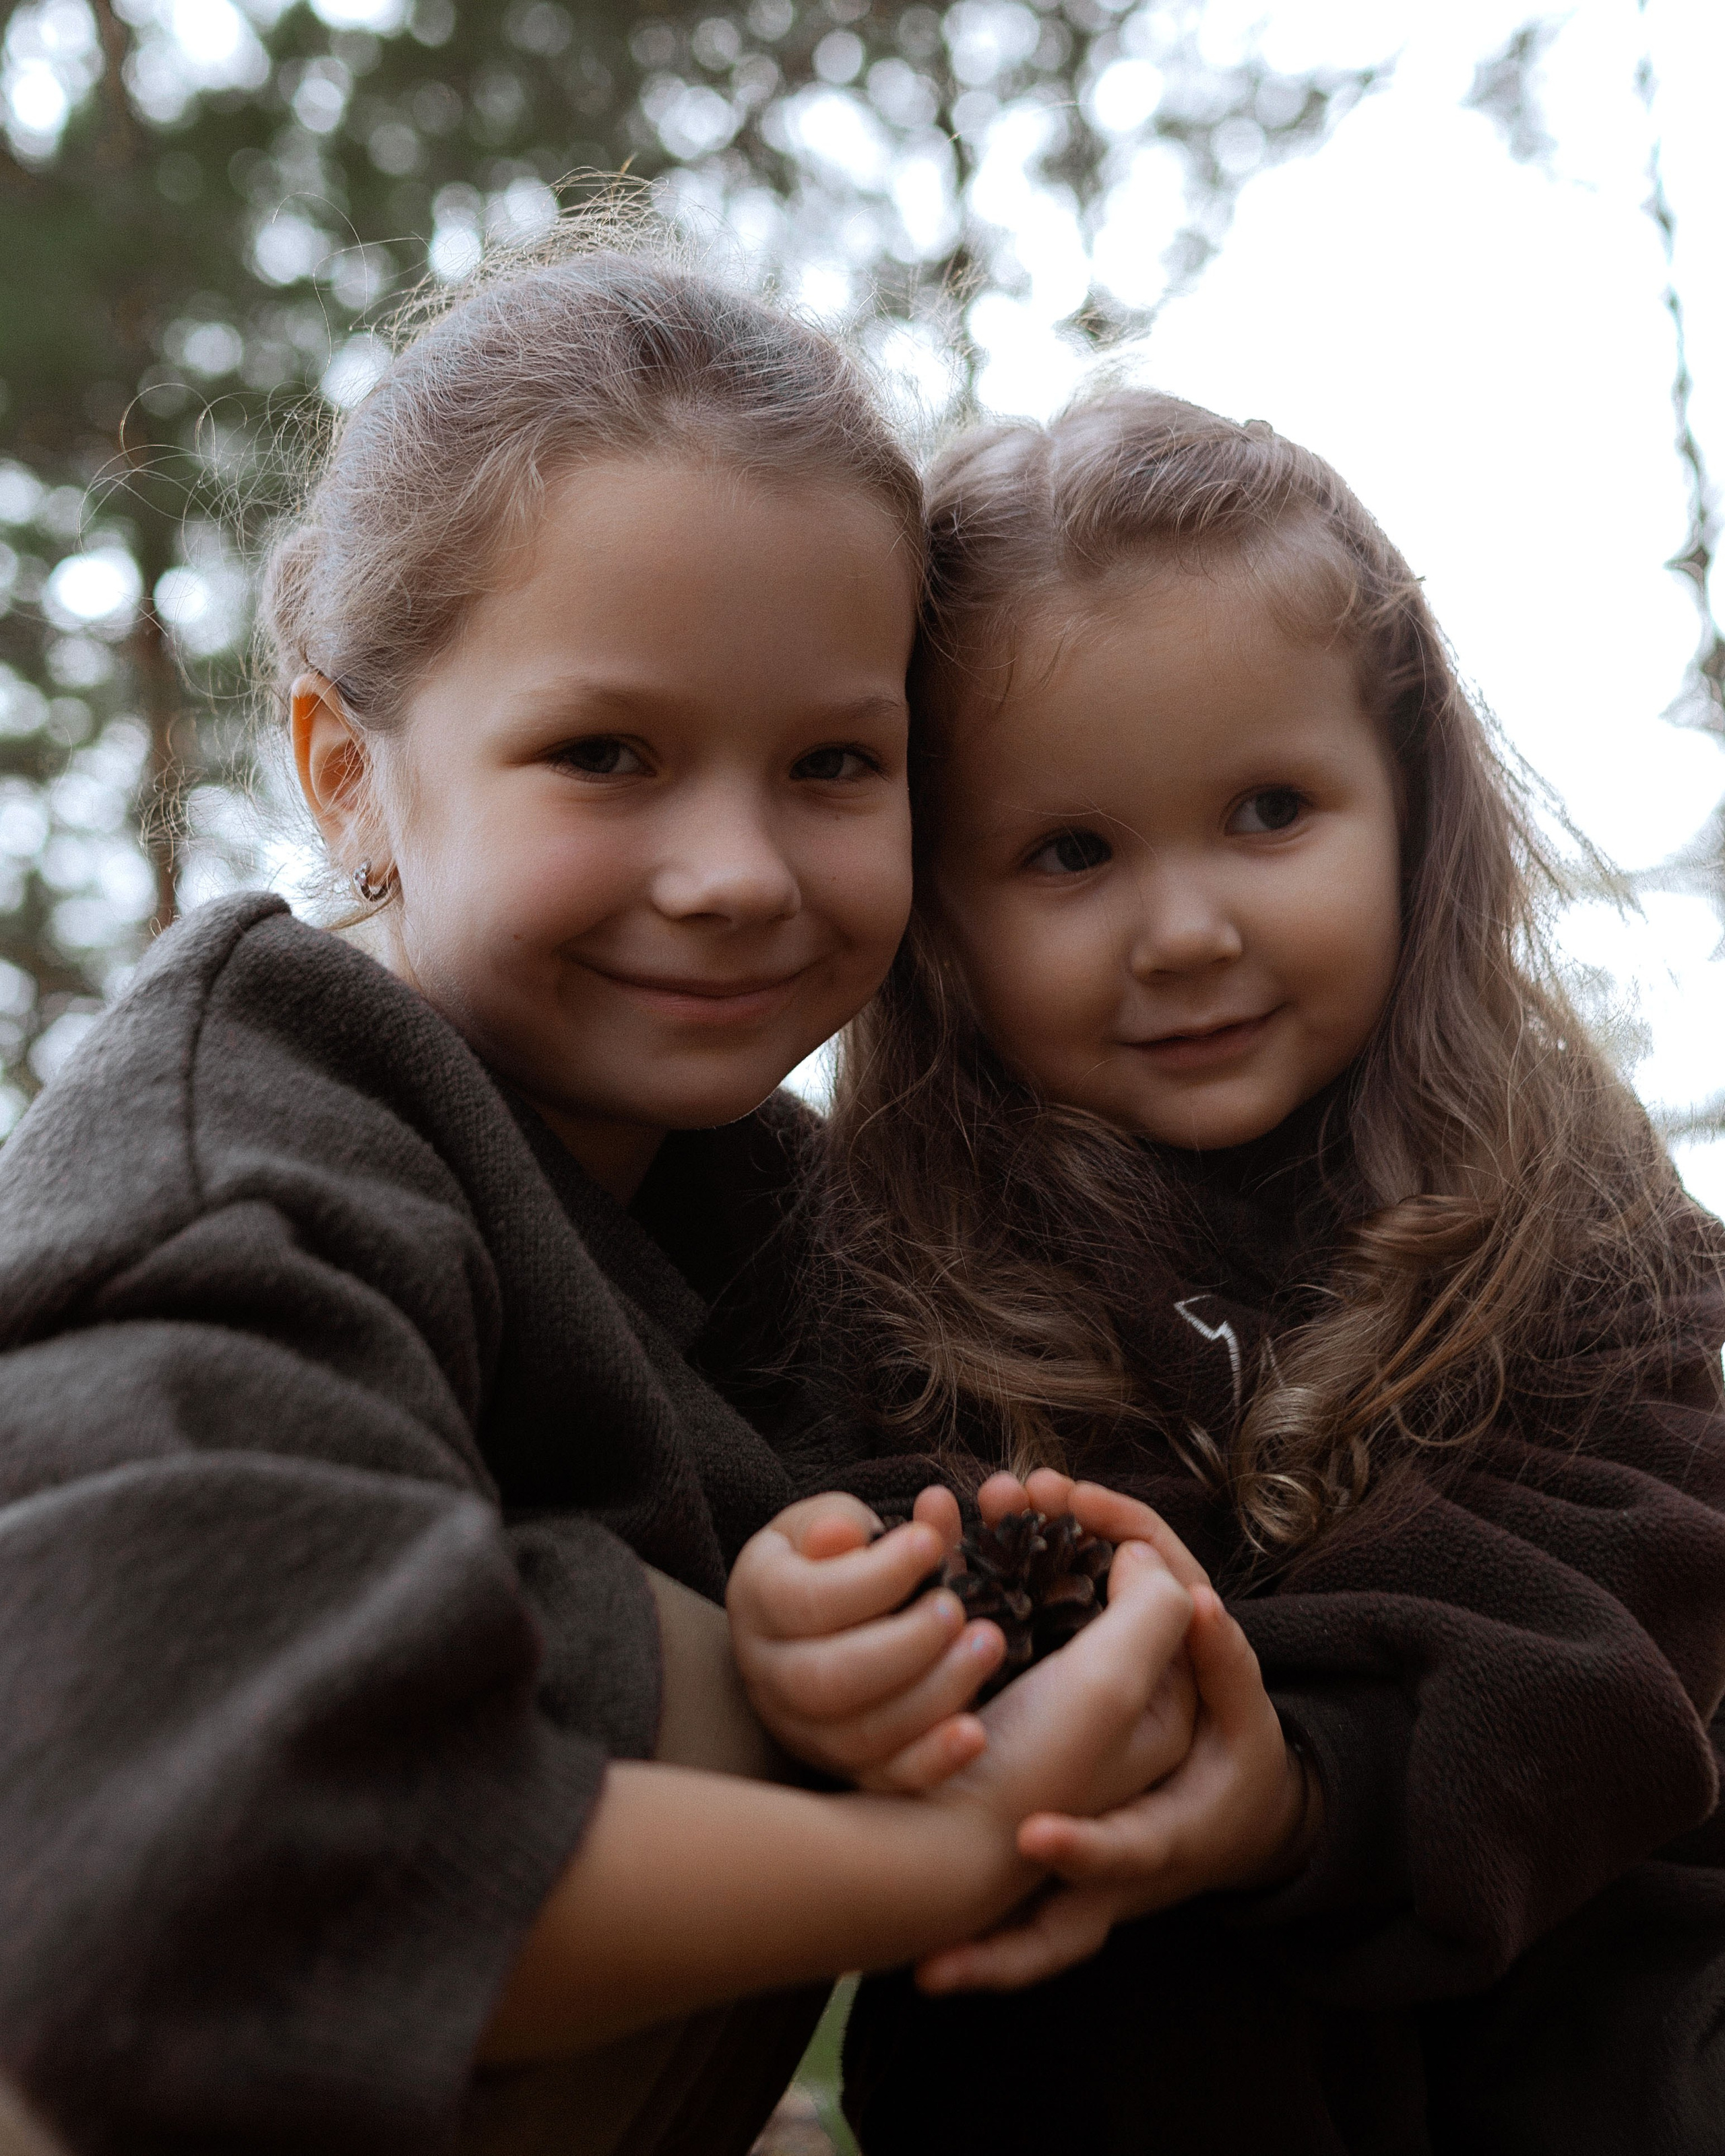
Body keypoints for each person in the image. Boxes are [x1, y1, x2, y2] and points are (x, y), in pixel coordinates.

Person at [0, 245, 1204, 2156]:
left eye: (832, 763)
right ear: (351, 778)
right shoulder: (240, 1139)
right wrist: (947, 1849)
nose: (732, 871)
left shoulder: (787, 1221)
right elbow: (166, 1880)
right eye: (604, 756)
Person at [726, 390, 1725, 2152]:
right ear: (937, 913)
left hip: (1588, 2031)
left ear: (1413, 808)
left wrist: (1296, 1781)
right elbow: (876, 1514)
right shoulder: (874, 1262)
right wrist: (835, 1621)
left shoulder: (1572, 1214)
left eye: (1272, 810)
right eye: (1072, 854)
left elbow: (1617, 1629)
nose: (1186, 930)